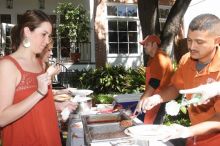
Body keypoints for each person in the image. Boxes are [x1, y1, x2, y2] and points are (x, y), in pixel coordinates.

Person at [137, 14, 220, 146]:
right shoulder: (186, 60)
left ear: (217, 41)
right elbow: (176, 87)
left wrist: (187, 131)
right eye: (189, 40)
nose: (192, 47)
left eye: (199, 42)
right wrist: (157, 98)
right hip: (193, 138)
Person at [0, 10, 62, 146]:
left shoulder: (40, 63)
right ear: (27, 31)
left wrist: (58, 105)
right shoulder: (7, 66)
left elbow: (39, 106)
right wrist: (38, 93)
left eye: (49, 36)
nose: (47, 41)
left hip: (49, 138)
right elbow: (2, 118)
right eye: (43, 34)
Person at [134, 35, 174, 124]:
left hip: (159, 98)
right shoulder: (153, 58)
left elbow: (155, 82)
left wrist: (143, 99)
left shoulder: (159, 57)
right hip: (154, 97)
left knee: (153, 128)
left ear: (154, 44)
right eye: (144, 45)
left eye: (147, 44)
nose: (144, 47)